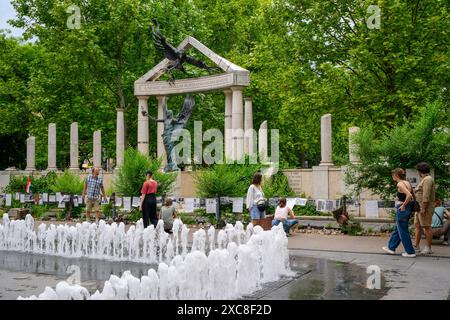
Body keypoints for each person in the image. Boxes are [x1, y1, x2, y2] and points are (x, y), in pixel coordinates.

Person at [382, 168, 416, 257]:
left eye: (392, 175)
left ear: (396, 175)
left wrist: (403, 205)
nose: (392, 177)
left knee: (403, 231)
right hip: (407, 208)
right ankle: (391, 247)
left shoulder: (400, 184)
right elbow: (409, 195)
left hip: (402, 209)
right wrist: (401, 200)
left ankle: (410, 252)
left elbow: (409, 195)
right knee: (398, 229)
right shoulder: (407, 182)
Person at [413, 162, 436, 255]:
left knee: (427, 227)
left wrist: (423, 208)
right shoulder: (424, 179)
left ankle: (428, 248)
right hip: (419, 207)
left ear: (420, 171)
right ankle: (416, 246)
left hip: (424, 207)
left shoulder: (427, 179)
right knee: (417, 226)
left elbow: (426, 195)